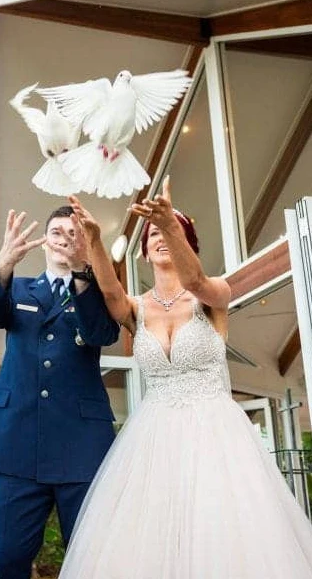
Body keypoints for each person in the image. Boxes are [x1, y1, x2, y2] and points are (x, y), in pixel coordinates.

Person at [58, 177, 312, 578]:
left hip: (216, 434)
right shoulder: (137, 309)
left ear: (188, 245)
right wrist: (94, 241)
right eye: (153, 234)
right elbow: (110, 295)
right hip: (153, 437)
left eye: (170, 232)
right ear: (143, 252)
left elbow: (195, 281)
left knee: (220, 531)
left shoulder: (213, 297)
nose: (160, 237)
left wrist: (169, 223)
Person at [0, 205, 120, 579]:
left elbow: (102, 333)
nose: (65, 238)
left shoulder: (98, 293)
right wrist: (4, 262)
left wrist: (83, 274)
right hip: (17, 445)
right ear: (45, 241)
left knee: (90, 561)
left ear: (84, 243)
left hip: (82, 446)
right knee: (6, 560)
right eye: (57, 231)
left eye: (74, 233)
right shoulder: (17, 288)